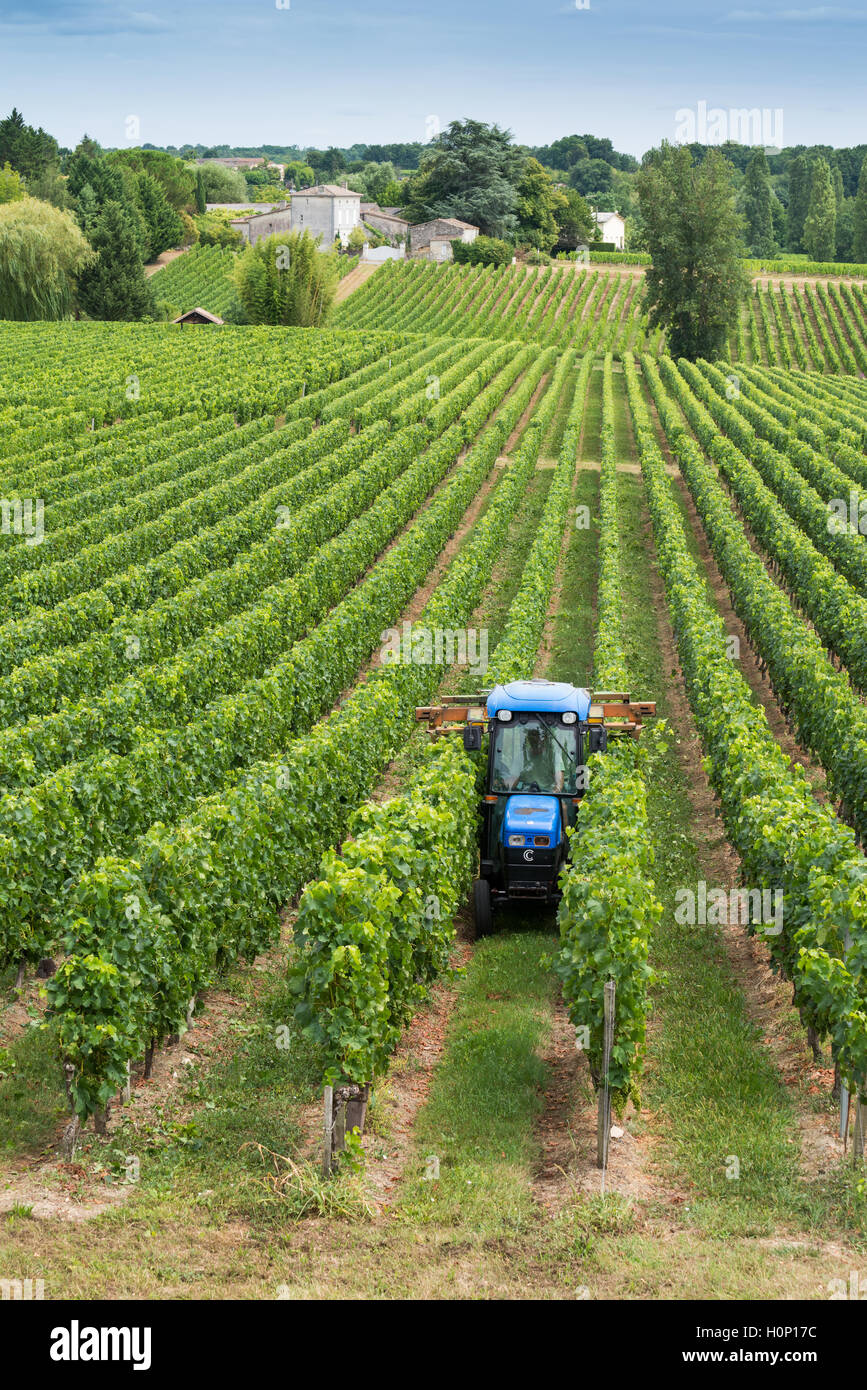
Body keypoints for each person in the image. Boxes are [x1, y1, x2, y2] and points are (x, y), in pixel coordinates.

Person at [495, 723, 566, 792]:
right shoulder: (521, 757)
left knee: (562, 804)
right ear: (528, 738)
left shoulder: (554, 757)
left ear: (544, 739)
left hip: (549, 794)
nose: (534, 740)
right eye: (531, 736)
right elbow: (513, 781)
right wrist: (502, 782)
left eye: (537, 736)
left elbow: (559, 784)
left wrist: (555, 791)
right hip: (525, 794)